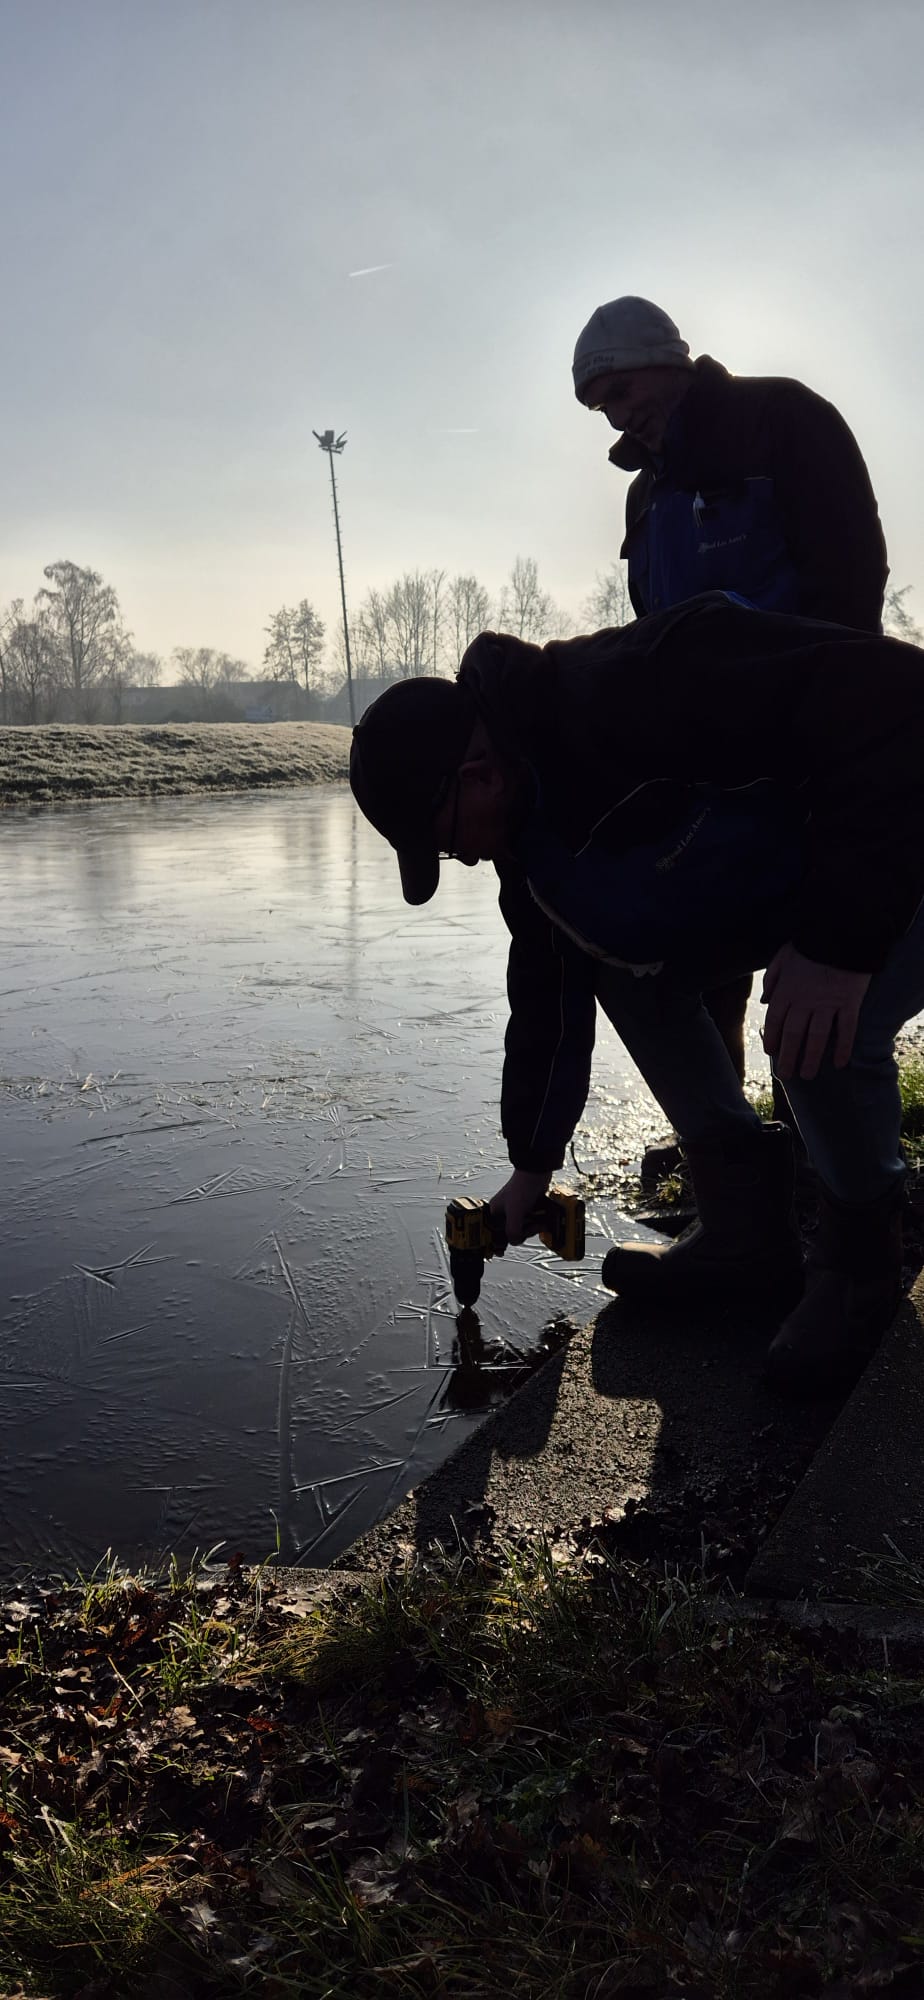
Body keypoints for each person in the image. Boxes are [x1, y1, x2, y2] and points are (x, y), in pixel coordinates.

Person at [349, 594, 924, 1400]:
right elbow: (546, 1001)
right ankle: (746, 1234)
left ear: (476, 774)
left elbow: (898, 700)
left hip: (899, 840)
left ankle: (863, 1269)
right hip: (794, 883)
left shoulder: (646, 680)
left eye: (448, 842)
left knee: (814, 1031)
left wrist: (837, 943)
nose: (463, 862)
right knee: (618, 964)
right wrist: (531, 1170)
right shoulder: (526, 844)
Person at [571, 296, 889, 1169]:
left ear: (668, 361)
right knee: (676, 954)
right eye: (601, 403)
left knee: (811, 968)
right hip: (705, 774)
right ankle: (737, 1148)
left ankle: (839, 1171)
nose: (618, 410)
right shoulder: (645, 498)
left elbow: (851, 578)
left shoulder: (781, 419)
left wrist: (833, 724)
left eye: (624, 387)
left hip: (814, 750)